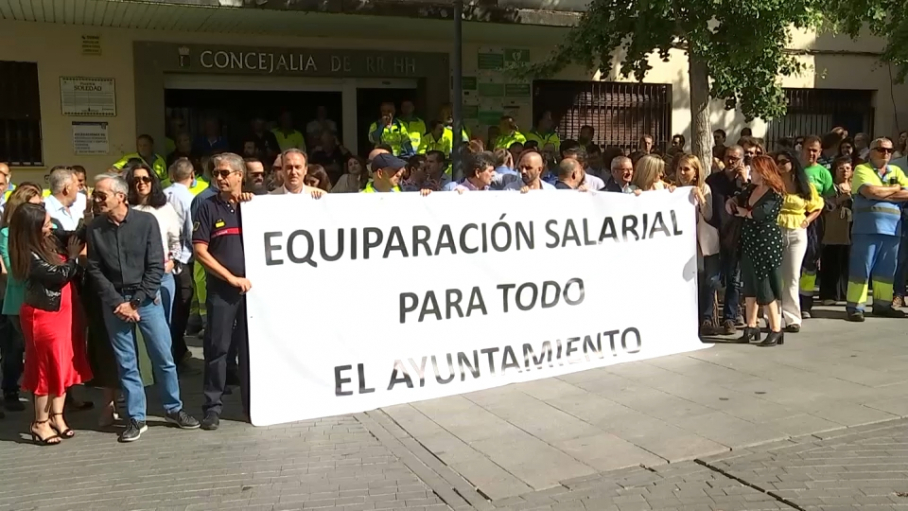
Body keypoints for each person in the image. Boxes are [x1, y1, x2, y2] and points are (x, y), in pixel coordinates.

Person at [86, 175, 199, 442]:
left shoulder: (146, 222)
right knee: (126, 362)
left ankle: (174, 408)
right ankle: (136, 417)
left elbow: (156, 265)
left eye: (102, 195)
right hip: (115, 303)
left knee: (163, 357)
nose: (97, 200)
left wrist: (135, 301)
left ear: (120, 197)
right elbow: (94, 269)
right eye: (95, 195)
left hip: (146, 300)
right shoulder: (95, 228)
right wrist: (118, 303)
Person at [11, 202, 91, 443]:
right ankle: (40, 422)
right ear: (32, 227)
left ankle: (57, 416)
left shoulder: (48, 239)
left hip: (62, 313)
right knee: (45, 368)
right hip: (43, 315)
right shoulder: (28, 251)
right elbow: (57, 276)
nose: (51, 226)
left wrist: (86, 223)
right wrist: (74, 259)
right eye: (46, 223)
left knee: (62, 364)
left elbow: (72, 236)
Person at [192, 153, 261, 429]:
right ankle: (212, 407)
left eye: (224, 173)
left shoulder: (253, 206)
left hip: (254, 292)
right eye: (216, 173)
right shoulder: (207, 207)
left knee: (250, 349)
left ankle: (252, 404)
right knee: (217, 348)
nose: (218, 178)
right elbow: (200, 251)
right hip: (223, 290)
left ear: (239, 175)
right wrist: (231, 278)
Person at [845, 137, 908, 321]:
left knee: (886, 271)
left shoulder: (896, 170)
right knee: (861, 269)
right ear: (871, 151)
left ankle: (882, 305)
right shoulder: (862, 169)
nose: (886, 153)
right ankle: (855, 307)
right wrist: (895, 189)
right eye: (881, 149)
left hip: (892, 228)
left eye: (889, 150)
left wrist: (882, 193)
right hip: (867, 228)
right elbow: (869, 192)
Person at [727, 155, 785, 347]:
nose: (751, 172)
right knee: (749, 283)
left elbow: (763, 213)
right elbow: (739, 198)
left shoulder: (775, 193)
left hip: (766, 242)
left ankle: (776, 328)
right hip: (749, 241)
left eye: (754, 169)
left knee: (765, 284)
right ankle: (751, 326)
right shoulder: (751, 189)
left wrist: (746, 213)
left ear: (764, 171)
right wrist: (732, 202)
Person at [0, 184, 43, 414]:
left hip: (42, 300)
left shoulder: (43, 230)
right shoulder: (6, 234)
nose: (39, 213)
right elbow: (14, 269)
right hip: (19, 301)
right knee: (15, 349)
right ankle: (10, 390)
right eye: (34, 207)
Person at [123, 163, 183, 329]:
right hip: (136, 277)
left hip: (163, 274)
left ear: (152, 181)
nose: (141, 183)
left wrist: (172, 263)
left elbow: (176, 240)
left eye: (145, 179)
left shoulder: (165, 207)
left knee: (165, 325)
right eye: (136, 180)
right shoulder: (127, 209)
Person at [774, 151, 824, 333]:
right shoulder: (773, 183)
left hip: (797, 232)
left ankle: (793, 318)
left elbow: (817, 206)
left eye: (783, 162)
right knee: (776, 277)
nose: (779, 165)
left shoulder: (804, 185)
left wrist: (808, 220)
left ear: (792, 164)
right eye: (777, 162)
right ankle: (773, 317)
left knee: (793, 276)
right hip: (776, 230)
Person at [707, 145, 750, 334]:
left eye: (735, 158)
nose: (731, 161)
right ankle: (707, 317)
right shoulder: (714, 180)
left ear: (742, 160)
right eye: (728, 157)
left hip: (737, 236)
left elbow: (752, 203)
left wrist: (745, 181)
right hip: (715, 234)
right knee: (712, 279)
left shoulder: (746, 184)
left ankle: (730, 318)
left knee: (734, 280)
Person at [676, 155, 720, 336]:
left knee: (708, 280)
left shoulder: (704, 188)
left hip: (703, 242)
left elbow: (709, 215)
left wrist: (700, 197)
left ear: (696, 173)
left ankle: (706, 318)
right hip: (683, 243)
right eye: (680, 168)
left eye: (687, 169)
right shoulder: (674, 189)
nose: (682, 173)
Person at [819, 156, 854, 305]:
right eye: (841, 168)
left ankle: (844, 293)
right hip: (832, 227)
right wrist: (841, 198)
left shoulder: (855, 185)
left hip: (850, 228)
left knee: (846, 261)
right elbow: (824, 205)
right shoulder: (830, 186)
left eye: (847, 168)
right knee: (830, 260)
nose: (844, 172)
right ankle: (829, 294)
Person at [44, 167, 85, 231]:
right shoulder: (44, 209)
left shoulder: (76, 206)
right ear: (67, 188)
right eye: (77, 186)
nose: (78, 189)